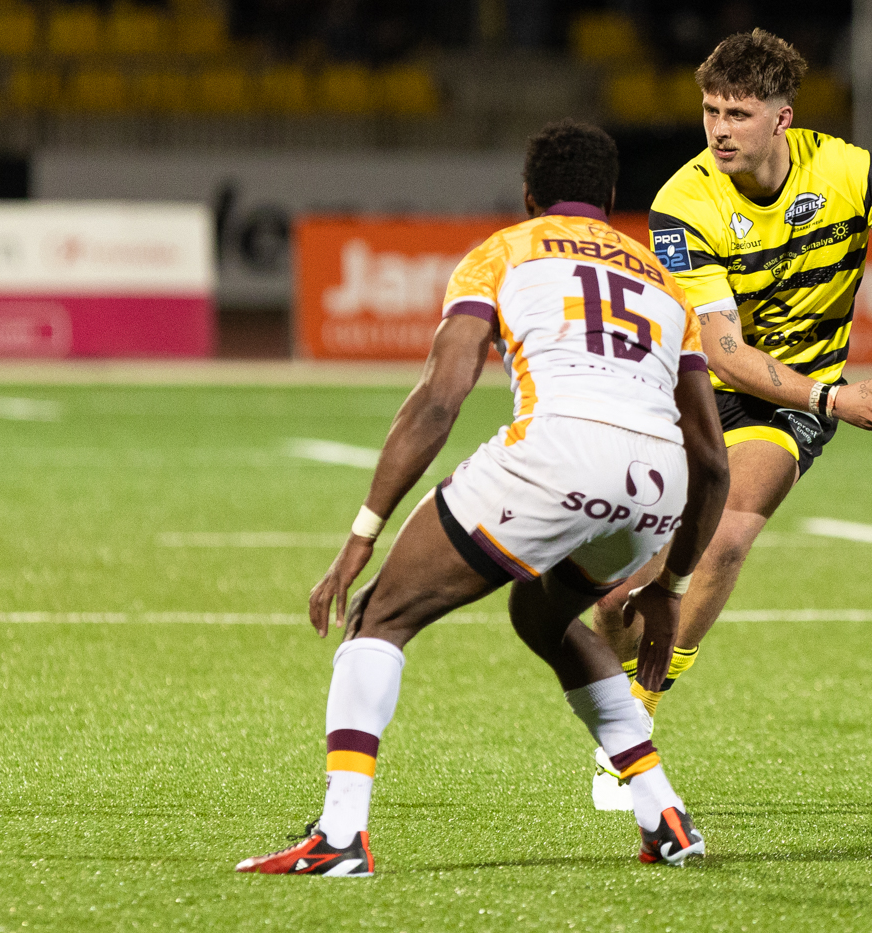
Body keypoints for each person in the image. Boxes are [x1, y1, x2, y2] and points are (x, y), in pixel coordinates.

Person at [235, 120, 731, 876]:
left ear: (531, 197)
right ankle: (662, 813)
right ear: (610, 197)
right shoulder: (664, 282)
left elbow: (441, 397)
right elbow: (713, 459)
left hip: (559, 451)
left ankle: (340, 836)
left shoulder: (502, 252)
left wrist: (364, 531)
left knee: (379, 613)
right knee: (541, 613)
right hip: (658, 479)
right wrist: (672, 586)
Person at [588, 28, 872, 800]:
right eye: (711, 109)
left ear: (782, 119)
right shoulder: (684, 200)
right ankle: (618, 676)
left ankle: (633, 724)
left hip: (790, 401)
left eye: (738, 113)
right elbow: (722, 351)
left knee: (727, 539)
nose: (718, 128)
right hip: (692, 389)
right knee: (617, 603)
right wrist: (835, 397)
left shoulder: (844, 169)